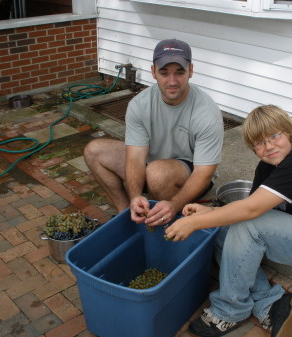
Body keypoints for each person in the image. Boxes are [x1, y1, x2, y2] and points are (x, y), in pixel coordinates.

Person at [163, 105, 292, 337]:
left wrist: (193, 223)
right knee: (224, 228)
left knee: (247, 224)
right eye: (259, 143)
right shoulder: (267, 166)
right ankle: (269, 302)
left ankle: (229, 311)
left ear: (289, 133)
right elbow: (247, 207)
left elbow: (251, 211)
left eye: (274, 136)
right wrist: (206, 212)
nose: (268, 146)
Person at [83, 39, 224, 226]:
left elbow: (204, 173)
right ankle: (127, 214)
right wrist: (135, 196)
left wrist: (174, 204)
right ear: (153, 72)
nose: (172, 81)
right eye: (164, 73)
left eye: (179, 72)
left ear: (190, 70)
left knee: (157, 174)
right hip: (152, 164)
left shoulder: (207, 112)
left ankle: (171, 220)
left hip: (189, 171)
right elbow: (135, 158)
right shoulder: (140, 104)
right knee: (94, 150)